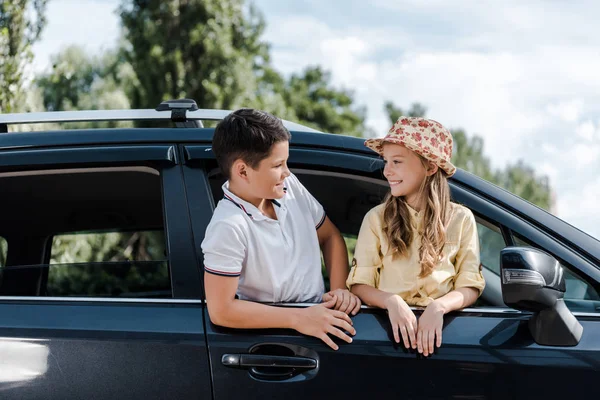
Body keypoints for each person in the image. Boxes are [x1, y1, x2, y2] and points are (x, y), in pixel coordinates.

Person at [202, 108, 361, 350]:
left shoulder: (291, 188)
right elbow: (221, 311)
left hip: (317, 324)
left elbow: (329, 236)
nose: (287, 172)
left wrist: (339, 291)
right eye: (278, 165)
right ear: (242, 170)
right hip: (274, 344)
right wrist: (299, 318)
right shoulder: (228, 226)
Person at [347, 116, 485, 356]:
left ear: (430, 167)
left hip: (445, 341)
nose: (387, 171)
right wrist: (391, 301)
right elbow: (360, 284)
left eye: (397, 162)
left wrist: (439, 307)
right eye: (386, 161)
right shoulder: (376, 219)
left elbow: (470, 285)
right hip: (384, 339)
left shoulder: (462, 219)